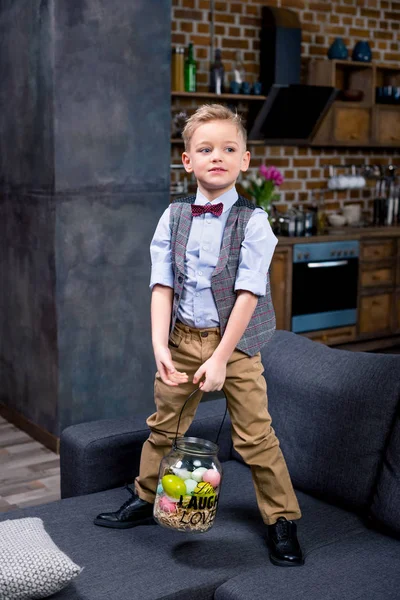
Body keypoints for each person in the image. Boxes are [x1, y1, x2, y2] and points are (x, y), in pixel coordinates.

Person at [94, 104, 304, 567]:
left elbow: (249, 294)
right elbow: (162, 285)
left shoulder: (255, 222)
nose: (217, 156)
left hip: (239, 345)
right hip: (184, 339)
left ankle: (282, 519)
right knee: (164, 427)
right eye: (205, 148)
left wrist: (221, 359)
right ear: (187, 160)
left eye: (229, 148)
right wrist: (160, 347)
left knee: (255, 436)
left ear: (244, 160)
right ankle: (146, 498)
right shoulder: (172, 217)